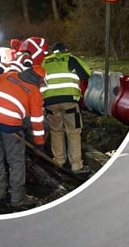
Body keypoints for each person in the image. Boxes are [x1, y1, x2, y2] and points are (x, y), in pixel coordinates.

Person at [0, 64, 47, 211]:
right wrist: (39, 143)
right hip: (11, 127)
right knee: (16, 163)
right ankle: (17, 199)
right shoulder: (35, 92)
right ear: (39, 80)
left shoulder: (9, 75)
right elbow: (37, 121)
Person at [40, 42, 93, 175]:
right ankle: (76, 165)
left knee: (56, 131)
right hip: (69, 101)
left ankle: (58, 161)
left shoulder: (45, 62)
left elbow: (38, 79)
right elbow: (87, 73)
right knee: (73, 132)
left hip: (50, 102)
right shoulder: (70, 59)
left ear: (53, 51)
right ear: (65, 50)